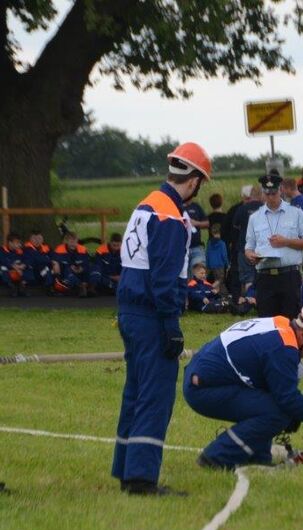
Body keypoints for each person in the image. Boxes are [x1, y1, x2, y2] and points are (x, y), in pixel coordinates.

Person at [113, 141, 211, 496]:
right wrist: (171, 323)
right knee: (155, 396)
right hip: (151, 315)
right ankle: (141, 479)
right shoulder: (170, 215)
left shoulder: (147, 204)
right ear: (196, 180)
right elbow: (165, 276)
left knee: (135, 392)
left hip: (129, 310)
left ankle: (126, 468)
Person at [182, 306, 303, 470]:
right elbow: (287, 398)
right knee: (277, 413)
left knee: (272, 405)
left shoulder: (280, 323)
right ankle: (216, 457)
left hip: (203, 376)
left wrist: (296, 414)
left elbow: (274, 389)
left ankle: (258, 458)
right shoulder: (284, 348)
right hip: (204, 389)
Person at [245, 173, 303, 319]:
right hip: (264, 277)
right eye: (267, 193)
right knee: (266, 324)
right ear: (263, 193)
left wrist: (286, 241)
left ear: (281, 191)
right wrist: (251, 256)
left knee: (290, 324)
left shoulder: (296, 213)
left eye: (274, 193)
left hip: (289, 276)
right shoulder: (254, 218)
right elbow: (249, 247)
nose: (271, 197)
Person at [233, 184, 263, 292]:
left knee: (247, 278)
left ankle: (249, 301)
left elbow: (236, 226)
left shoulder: (242, 208)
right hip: (261, 248)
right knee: (262, 276)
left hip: (244, 247)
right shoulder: (265, 208)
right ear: (261, 195)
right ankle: (260, 300)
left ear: (251, 195)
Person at [51, 231, 90, 297]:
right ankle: (81, 287)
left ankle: (89, 288)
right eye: (71, 242)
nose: (73, 244)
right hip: (65, 275)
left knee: (94, 268)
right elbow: (54, 262)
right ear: (66, 241)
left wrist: (81, 268)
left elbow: (86, 263)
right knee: (67, 271)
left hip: (80, 272)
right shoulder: (59, 249)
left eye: (75, 242)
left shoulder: (83, 249)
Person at [183, 185, 209, 274]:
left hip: (197, 247)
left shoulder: (196, 207)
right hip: (182, 249)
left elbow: (207, 223)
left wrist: (196, 223)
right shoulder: (177, 207)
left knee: (199, 273)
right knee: (185, 277)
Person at [1, 232, 35, 296]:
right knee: (3, 268)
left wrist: (24, 265)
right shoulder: (2, 250)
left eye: (20, 242)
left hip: (20, 271)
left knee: (29, 267)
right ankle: (11, 287)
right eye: (17, 243)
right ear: (10, 243)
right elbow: (3, 260)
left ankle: (22, 286)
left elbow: (29, 259)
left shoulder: (22, 250)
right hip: (10, 270)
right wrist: (14, 267)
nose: (19, 245)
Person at [205, 224, 229, 289]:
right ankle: (210, 288)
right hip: (220, 264)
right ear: (220, 232)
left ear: (212, 233)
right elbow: (224, 255)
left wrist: (207, 264)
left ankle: (217, 295)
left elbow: (207, 254)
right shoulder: (222, 243)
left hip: (211, 264)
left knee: (216, 279)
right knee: (220, 279)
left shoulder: (209, 243)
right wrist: (227, 264)